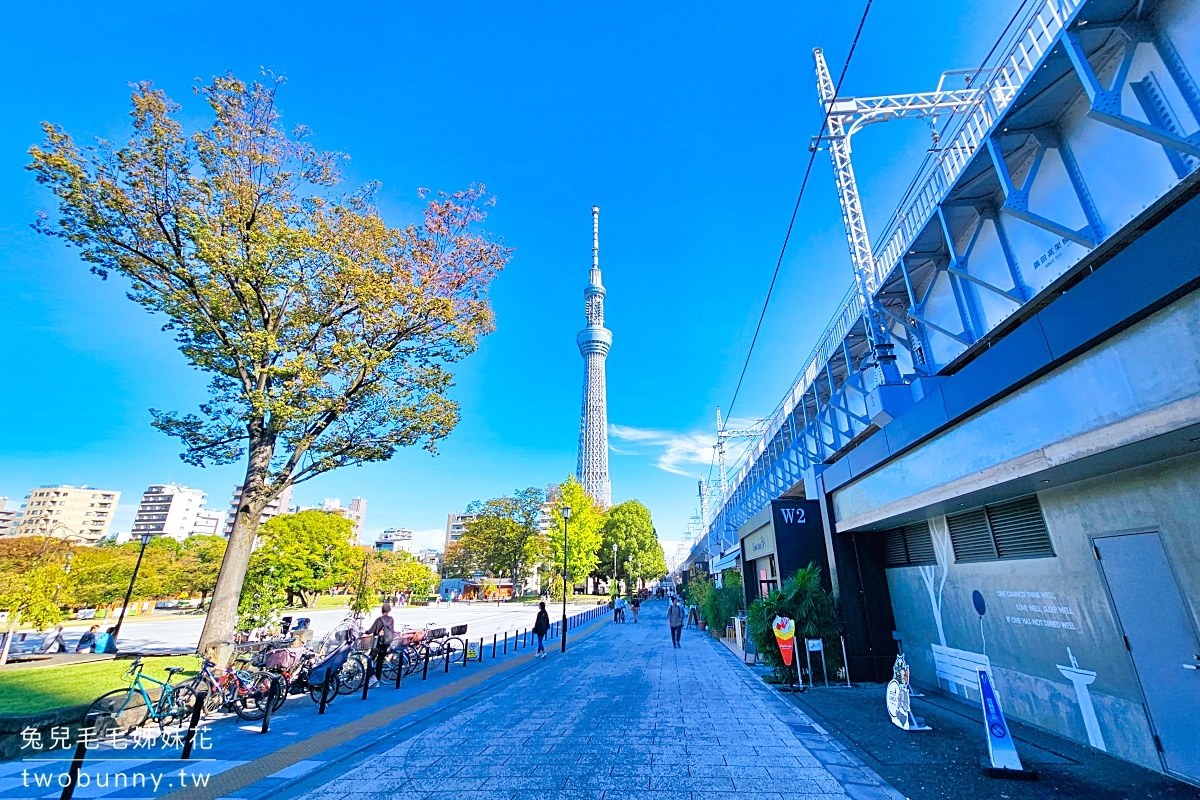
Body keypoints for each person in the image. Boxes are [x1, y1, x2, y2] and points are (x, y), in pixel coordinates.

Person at [364, 603, 395, 687]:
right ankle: (378, 678)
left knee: (370, 659)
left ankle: (372, 678)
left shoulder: (379, 620)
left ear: (382, 610)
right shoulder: (391, 619)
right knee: (380, 661)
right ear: (389, 610)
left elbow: (371, 630)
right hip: (386, 642)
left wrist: (364, 632)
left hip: (378, 643)